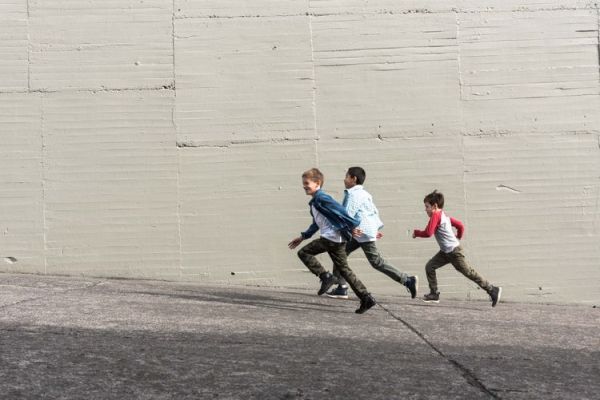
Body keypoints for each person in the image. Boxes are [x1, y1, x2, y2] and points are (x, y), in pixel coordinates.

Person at [288, 168, 377, 314]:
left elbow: (341, 211)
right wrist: (303, 236)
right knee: (344, 270)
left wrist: (352, 226)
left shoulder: (322, 198)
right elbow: (317, 223)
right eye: (303, 183)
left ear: (317, 183)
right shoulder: (315, 202)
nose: (304, 186)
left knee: (304, 253)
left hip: (331, 238)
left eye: (307, 183)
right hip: (336, 239)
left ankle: (326, 276)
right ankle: (366, 297)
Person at [325, 167, 418, 300]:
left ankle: (408, 280)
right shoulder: (365, 194)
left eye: (346, 176)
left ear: (353, 179)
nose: (344, 179)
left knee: (376, 261)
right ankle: (341, 287)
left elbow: (347, 215)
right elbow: (373, 212)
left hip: (360, 232)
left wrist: (336, 226)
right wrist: (374, 230)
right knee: (340, 253)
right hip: (363, 231)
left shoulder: (354, 194)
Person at [412, 190, 502, 307]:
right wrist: (458, 236)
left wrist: (417, 233)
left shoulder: (436, 215)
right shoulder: (444, 217)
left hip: (454, 253)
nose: (425, 210)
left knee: (469, 272)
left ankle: (492, 290)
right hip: (445, 252)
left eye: (427, 206)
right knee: (430, 266)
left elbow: (428, 233)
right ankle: (434, 293)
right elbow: (460, 225)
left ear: (435, 206)